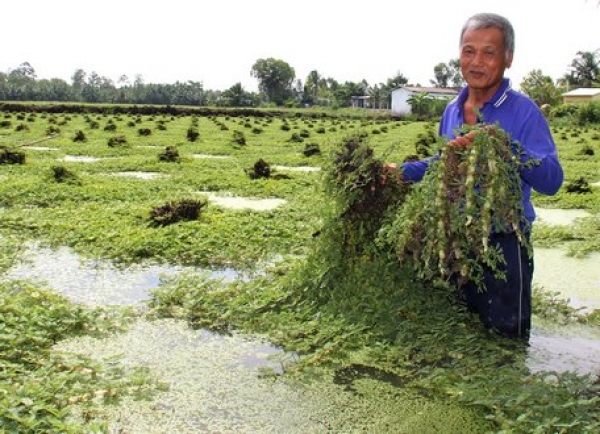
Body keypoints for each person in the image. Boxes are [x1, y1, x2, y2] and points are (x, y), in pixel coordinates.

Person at [385, 12, 564, 339]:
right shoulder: (452, 109)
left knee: (507, 343)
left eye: (488, 52)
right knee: (460, 339)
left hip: (506, 245)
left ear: (508, 58)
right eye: (469, 51)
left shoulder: (524, 112)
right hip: (455, 244)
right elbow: (445, 162)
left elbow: (552, 181)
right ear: (459, 55)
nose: (476, 61)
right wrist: (403, 172)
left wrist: (503, 145)